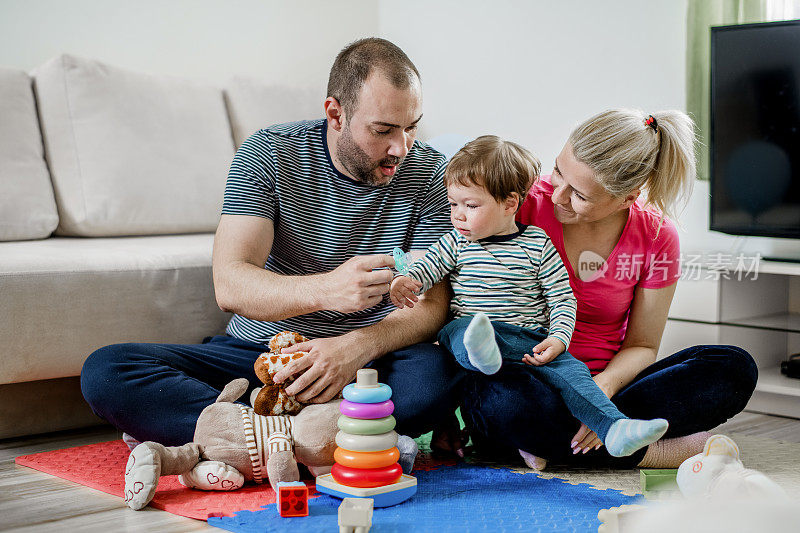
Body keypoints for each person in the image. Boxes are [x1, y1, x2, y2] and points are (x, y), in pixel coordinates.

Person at [80, 37, 461, 447]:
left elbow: (431, 305)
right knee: (108, 371)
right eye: (383, 130)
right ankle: (321, 437)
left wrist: (352, 348)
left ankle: (240, 435)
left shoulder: (431, 172)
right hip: (262, 355)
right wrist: (329, 289)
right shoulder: (268, 154)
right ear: (335, 113)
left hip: (370, 360)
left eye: (411, 127)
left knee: (438, 378)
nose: (400, 148)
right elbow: (230, 284)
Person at [457, 109, 758, 470]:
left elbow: (642, 346)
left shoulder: (657, 236)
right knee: (501, 400)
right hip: (526, 377)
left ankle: (570, 438)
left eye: (579, 195)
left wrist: (601, 390)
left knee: (734, 368)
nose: (556, 197)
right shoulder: (518, 203)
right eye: (558, 171)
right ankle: (652, 451)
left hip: (609, 388)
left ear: (627, 198)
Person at [390, 135, 670, 458]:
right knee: (460, 332)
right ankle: (482, 354)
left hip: (527, 342)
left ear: (510, 204)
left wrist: (559, 339)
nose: (458, 215)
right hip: (469, 337)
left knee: (573, 372)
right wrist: (407, 279)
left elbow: (562, 298)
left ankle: (615, 428)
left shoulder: (538, 244)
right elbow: (429, 268)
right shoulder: (456, 243)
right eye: (454, 204)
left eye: (470, 206)